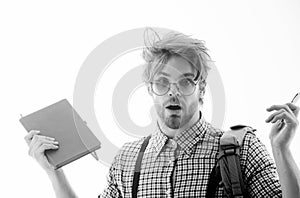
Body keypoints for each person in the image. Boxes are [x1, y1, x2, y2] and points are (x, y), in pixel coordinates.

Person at [24, 30, 300, 198]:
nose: (173, 92)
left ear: (201, 89)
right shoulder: (126, 160)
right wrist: (54, 173)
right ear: (150, 89)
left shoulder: (242, 148)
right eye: (162, 82)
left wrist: (282, 150)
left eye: (185, 81)